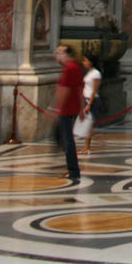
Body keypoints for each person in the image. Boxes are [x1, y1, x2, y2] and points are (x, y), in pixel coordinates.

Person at [47, 45, 84, 184]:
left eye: (58, 53)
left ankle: (73, 170)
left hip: (66, 109)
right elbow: (80, 88)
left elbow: (64, 90)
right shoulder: (76, 67)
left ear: (65, 54)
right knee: (60, 136)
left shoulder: (69, 69)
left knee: (67, 140)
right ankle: (64, 161)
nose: (56, 56)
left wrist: (55, 108)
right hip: (72, 108)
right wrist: (81, 108)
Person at [79, 51, 102, 155]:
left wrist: (89, 104)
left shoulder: (96, 73)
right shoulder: (89, 72)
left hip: (91, 100)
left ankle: (87, 146)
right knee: (87, 124)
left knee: (89, 124)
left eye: (85, 60)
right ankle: (86, 145)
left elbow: (94, 90)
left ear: (91, 62)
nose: (83, 62)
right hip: (86, 98)